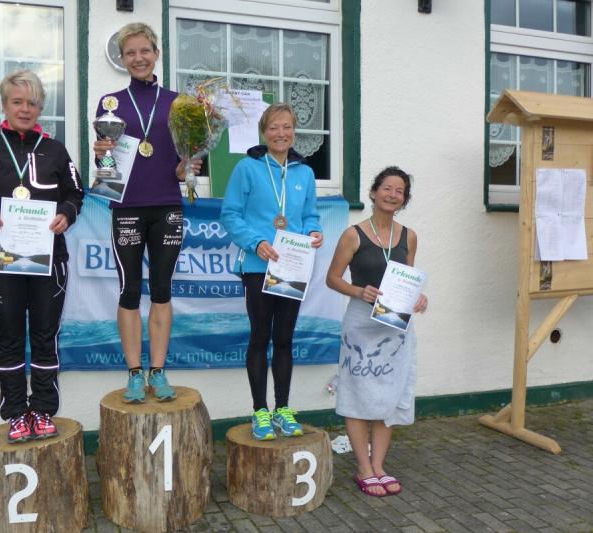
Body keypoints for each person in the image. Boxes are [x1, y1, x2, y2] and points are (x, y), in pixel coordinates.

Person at [0, 69, 84, 443]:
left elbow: (75, 193)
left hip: (49, 260)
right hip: (2, 259)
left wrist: (67, 214)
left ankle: (42, 410)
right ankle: (15, 413)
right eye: (17, 102)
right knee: (9, 338)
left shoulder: (56, 151)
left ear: (40, 107)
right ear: (4, 105)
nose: (25, 109)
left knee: (45, 336)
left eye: (32, 103)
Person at [93, 23, 201, 404]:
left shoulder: (179, 103)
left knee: (161, 289)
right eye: (130, 53)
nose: (138, 58)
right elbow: (105, 167)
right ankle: (134, 374)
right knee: (129, 290)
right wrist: (101, 155)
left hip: (167, 205)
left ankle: (158, 370)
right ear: (122, 59)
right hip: (126, 206)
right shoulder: (110, 103)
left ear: (156, 54)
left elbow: (187, 163)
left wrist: (186, 168)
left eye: (144, 51)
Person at [220, 103, 323, 441]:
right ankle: (260, 411)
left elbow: (310, 215)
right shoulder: (247, 168)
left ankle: (283, 409)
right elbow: (230, 214)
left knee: (284, 339)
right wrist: (256, 242)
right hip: (258, 265)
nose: (281, 133)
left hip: (292, 266)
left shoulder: (304, 173)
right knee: (260, 337)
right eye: (274, 127)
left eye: (287, 127)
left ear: (294, 131)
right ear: (264, 133)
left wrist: (314, 231)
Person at [325, 166, 427, 496]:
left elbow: (407, 280)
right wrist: (359, 291)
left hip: (395, 327)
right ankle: (363, 468)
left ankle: (379, 466)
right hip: (360, 325)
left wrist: (419, 297)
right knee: (357, 393)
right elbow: (332, 278)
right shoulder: (353, 234)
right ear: (373, 192)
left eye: (399, 191)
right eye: (387, 188)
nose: (392, 195)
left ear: (404, 200)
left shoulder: (409, 236)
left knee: (389, 394)